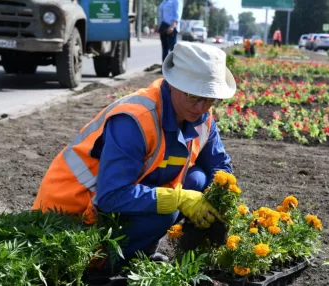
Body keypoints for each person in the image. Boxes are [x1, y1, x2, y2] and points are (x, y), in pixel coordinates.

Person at [32, 42, 236, 264]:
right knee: (166, 211)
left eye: (209, 98)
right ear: (172, 84)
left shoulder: (201, 116)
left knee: (199, 179)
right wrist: (178, 199)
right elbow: (111, 197)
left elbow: (220, 167)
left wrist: (222, 202)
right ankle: (104, 264)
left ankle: (141, 253)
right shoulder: (135, 121)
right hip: (73, 214)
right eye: (193, 96)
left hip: (109, 200)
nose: (201, 107)